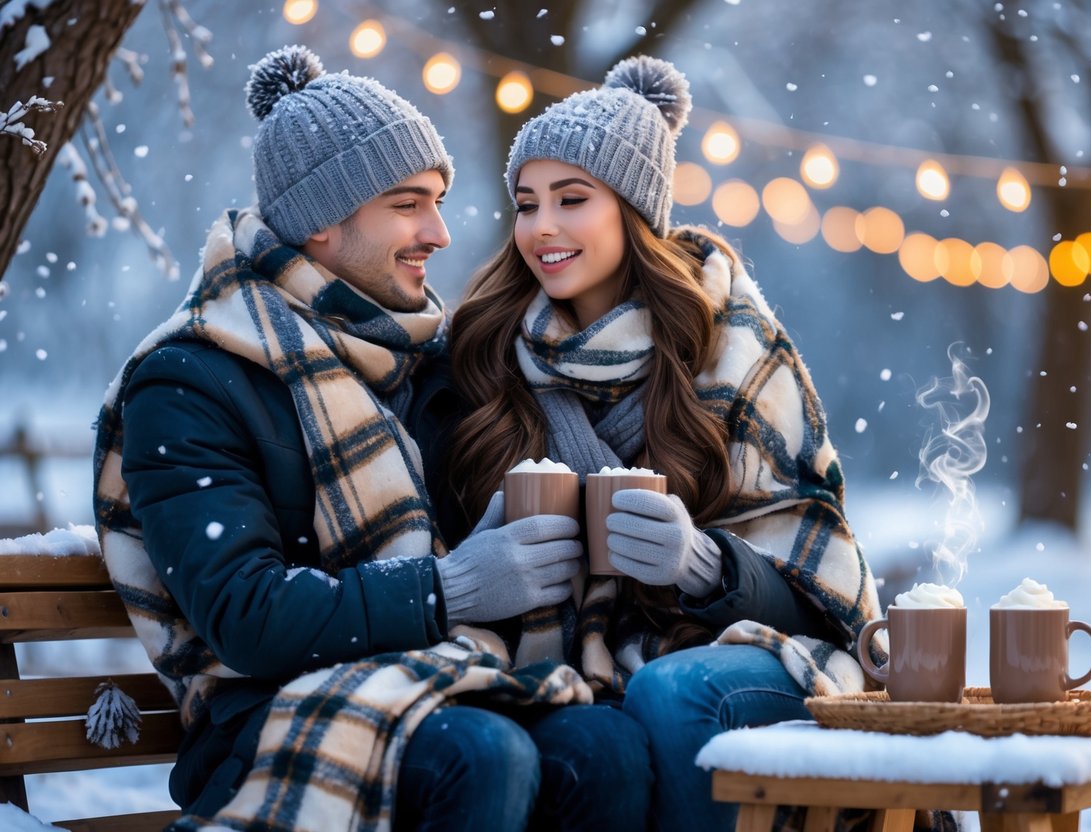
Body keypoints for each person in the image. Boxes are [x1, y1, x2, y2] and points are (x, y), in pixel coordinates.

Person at [92, 45, 649, 832]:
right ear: (323, 219)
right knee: (481, 754)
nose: (439, 233)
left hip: (443, 677)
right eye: (408, 204)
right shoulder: (191, 380)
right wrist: (446, 589)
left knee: (605, 744)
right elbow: (246, 617)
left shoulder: (423, 361)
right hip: (267, 717)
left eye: (439, 201)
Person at [448, 55, 889, 831]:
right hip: (560, 667)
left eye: (572, 199)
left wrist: (705, 567)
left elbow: (821, 595)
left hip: (739, 653)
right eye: (526, 204)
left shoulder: (734, 347)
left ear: (633, 212)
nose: (541, 227)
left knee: (671, 690)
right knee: (599, 733)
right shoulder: (486, 352)